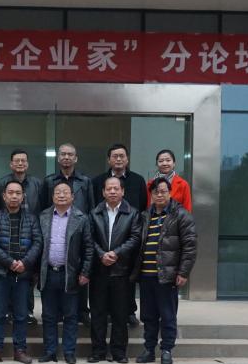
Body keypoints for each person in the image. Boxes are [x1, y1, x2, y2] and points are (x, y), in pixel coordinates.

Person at [133, 177, 197, 364]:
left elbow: (190, 246)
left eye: (163, 191)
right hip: (146, 276)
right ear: (151, 195)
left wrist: (183, 272)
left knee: (168, 316)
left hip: (167, 276)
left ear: (170, 193)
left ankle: (167, 350)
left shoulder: (181, 215)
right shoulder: (145, 216)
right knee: (148, 316)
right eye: (156, 192)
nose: (159, 195)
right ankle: (149, 349)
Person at [0, 181, 42, 364]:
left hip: (23, 275)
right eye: (11, 193)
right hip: (1, 273)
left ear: (23, 196)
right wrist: (10, 263)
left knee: (21, 314)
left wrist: (25, 263)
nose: (14, 196)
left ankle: (20, 350)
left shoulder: (32, 219)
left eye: (18, 193)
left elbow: (38, 242)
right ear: (4, 196)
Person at [37, 181, 93, 364]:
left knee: (71, 315)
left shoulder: (81, 218)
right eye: (58, 192)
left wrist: (85, 272)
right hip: (48, 273)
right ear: (53, 196)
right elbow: (37, 245)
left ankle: (69, 352)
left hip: (70, 274)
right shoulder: (43, 216)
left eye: (65, 192)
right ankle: (50, 351)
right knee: (48, 315)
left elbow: (89, 248)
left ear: (72, 197)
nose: (61, 195)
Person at [91, 144, 146, 328]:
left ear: (127, 159)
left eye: (122, 156)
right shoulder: (98, 181)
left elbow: (143, 206)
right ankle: (106, 312)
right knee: (102, 284)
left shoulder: (138, 180)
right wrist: (101, 252)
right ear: (109, 160)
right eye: (115, 156)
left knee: (126, 281)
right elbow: (94, 209)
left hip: (128, 240)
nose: (119, 159)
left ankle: (129, 312)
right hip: (103, 238)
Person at [88, 177, 142, 363]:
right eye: (109, 189)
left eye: (116, 188)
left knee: (120, 315)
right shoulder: (94, 213)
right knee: (98, 314)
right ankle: (98, 351)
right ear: (103, 192)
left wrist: (116, 253)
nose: (112, 191)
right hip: (99, 272)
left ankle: (119, 352)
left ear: (123, 191)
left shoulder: (133, 213)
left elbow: (135, 238)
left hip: (122, 272)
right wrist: (101, 254)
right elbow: (89, 238)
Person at [41, 143, 95, 324]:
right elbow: (44, 207)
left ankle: (82, 310)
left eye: (70, 154)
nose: (66, 157)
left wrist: (88, 229)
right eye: (63, 154)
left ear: (76, 158)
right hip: (56, 226)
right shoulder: (49, 181)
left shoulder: (85, 181)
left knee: (78, 269)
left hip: (79, 230)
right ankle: (58, 312)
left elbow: (91, 207)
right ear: (58, 158)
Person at [0, 149, 43, 325]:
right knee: (8, 273)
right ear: (11, 164)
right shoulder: (1, 183)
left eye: (23, 160)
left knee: (28, 274)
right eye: (17, 160)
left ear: (27, 164)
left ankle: (27, 311)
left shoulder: (37, 183)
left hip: (30, 232)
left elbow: (42, 207)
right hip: (7, 230)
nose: (20, 163)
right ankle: (8, 311)